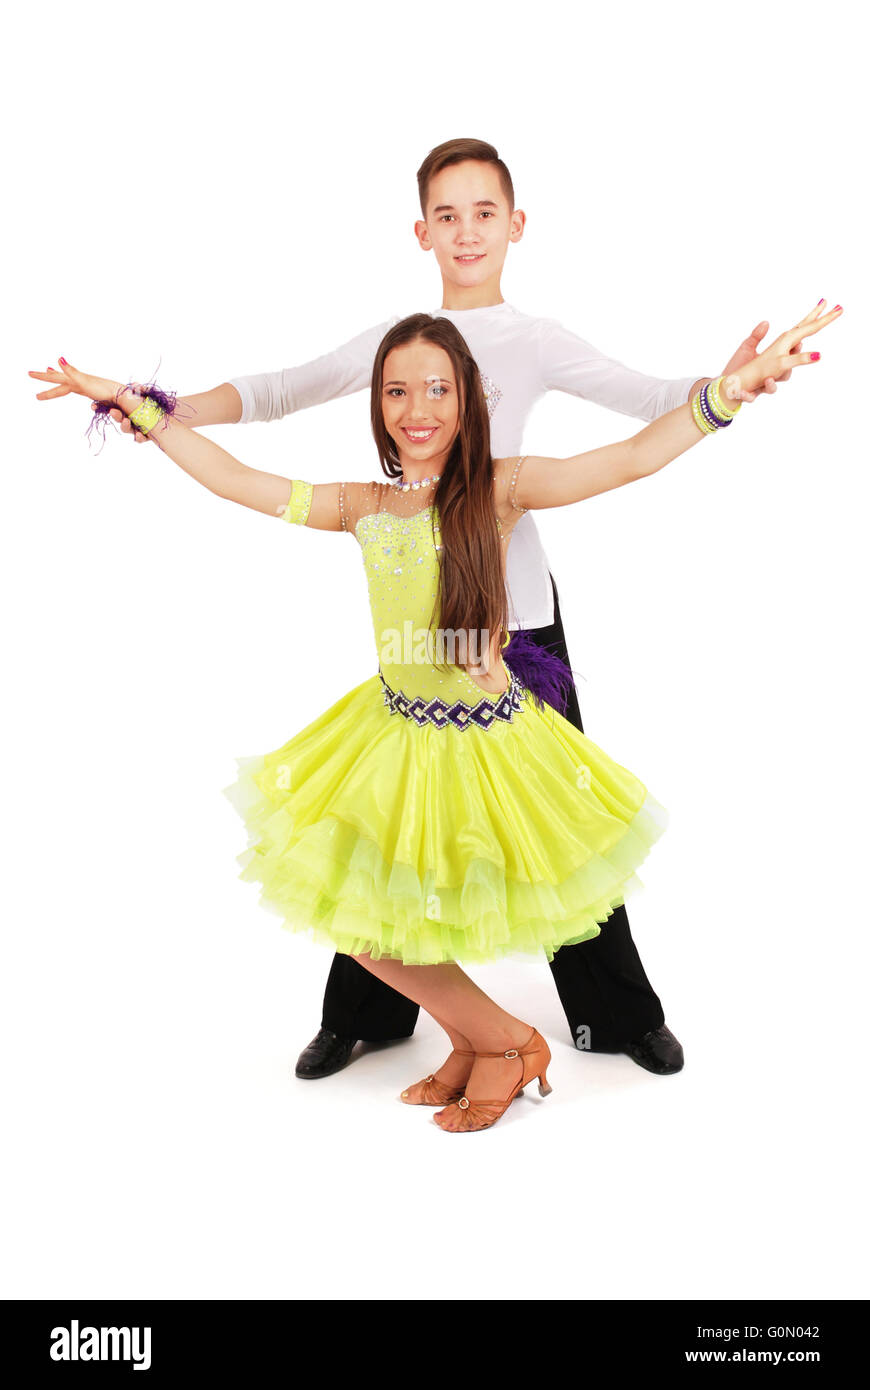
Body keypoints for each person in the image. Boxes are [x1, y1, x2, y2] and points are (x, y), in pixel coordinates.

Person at [31, 137, 805, 1084]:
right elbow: (271, 408)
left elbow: (641, 425)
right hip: (413, 638)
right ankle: (370, 1014)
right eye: (448, 213)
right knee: (392, 821)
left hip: (513, 617)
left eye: (486, 213)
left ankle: (615, 1013)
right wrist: (150, 406)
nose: (467, 230)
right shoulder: (395, 359)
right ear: (423, 230)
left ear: (516, 226)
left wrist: (726, 390)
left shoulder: (532, 354)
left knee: (552, 817)